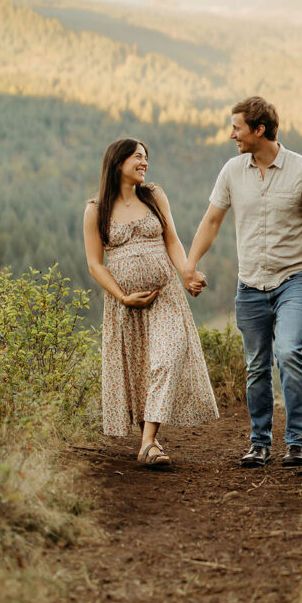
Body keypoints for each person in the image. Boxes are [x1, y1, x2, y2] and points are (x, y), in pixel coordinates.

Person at [182, 97, 302, 468]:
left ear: (259, 129)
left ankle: (298, 441)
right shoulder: (232, 171)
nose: (232, 134)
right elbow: (213, 220)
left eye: (237, 127)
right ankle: (260, 443)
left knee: (288, 353)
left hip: (296, 278)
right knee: (256, 365)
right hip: (250, 285)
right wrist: (190, 263)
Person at [83, 138, 219, 468]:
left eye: (147, 158)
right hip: (124, 305)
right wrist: (122, 295)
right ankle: (151, 441)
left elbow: (171, 239)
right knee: (142, 369)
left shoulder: (154, 196)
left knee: (166, 357)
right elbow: (95, 263)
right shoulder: (96, 209)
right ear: (118, 163)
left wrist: (187, 273)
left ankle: (147, 443)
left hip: (165, 295)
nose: (145, 163)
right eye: (138, 158)